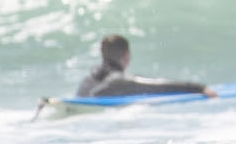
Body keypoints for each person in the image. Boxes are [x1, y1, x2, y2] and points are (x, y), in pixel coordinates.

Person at [76, 34, 218, 98]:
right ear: (126, 56)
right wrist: (200, 88)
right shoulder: (118, 81)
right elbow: (158, 86)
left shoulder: (88, 81)